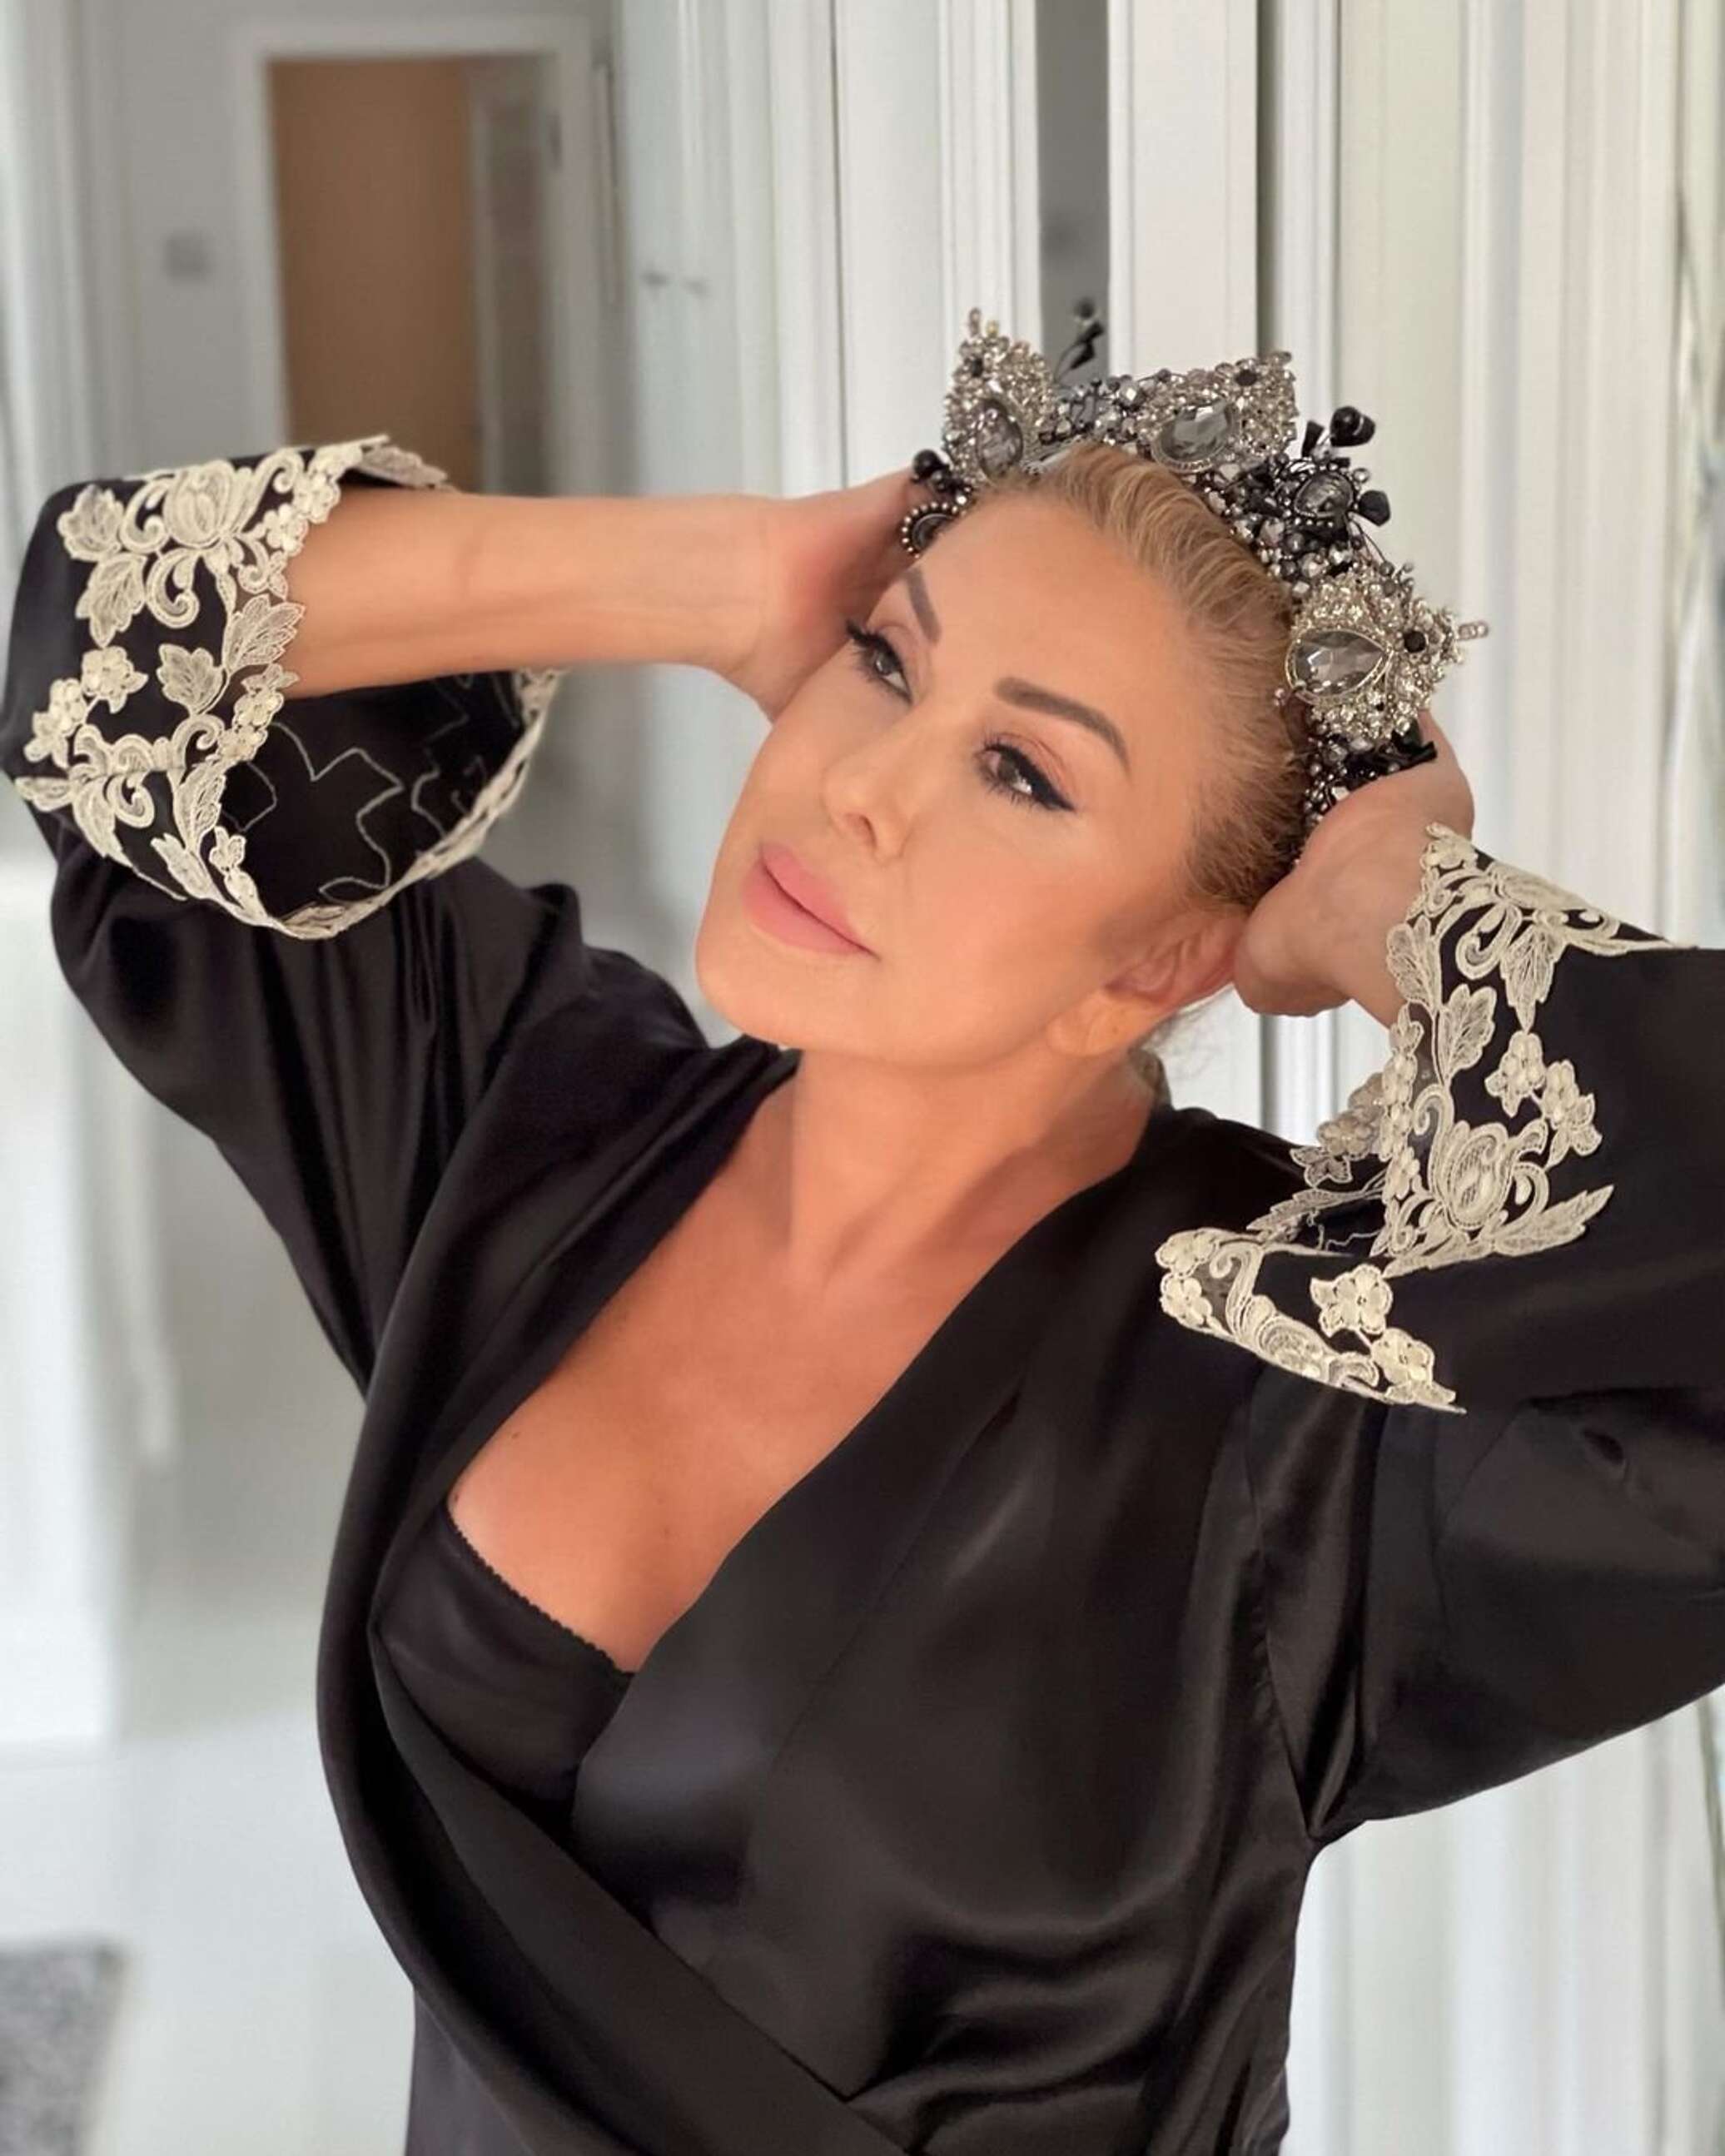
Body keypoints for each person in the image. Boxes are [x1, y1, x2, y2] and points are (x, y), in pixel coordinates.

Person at [2, 410, 1721, 2156]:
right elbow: (104, 659)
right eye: (889, 663)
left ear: (1160, 955)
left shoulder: (1305, 1402)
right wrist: (717, 577)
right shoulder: (526, 1131)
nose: (861, 785)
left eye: (1023, 772)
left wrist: (1391, 899)